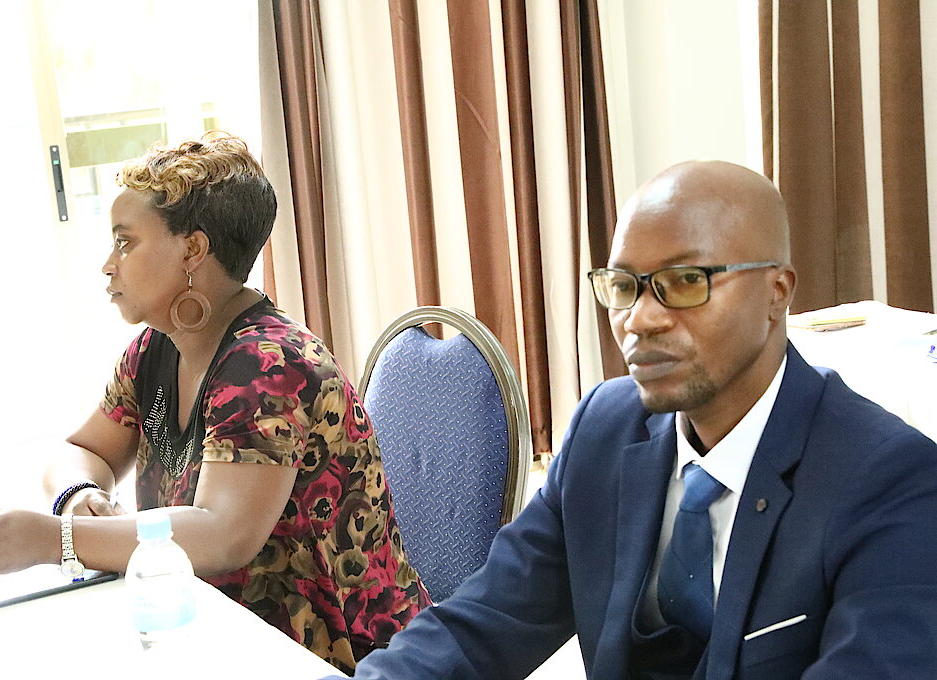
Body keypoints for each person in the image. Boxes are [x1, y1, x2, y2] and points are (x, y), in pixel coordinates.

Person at [322, 160, 937, 679]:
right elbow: (483, 623)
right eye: (624, 286)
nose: (640, 319)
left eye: (685, 281)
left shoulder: (888, 478)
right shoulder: (605, 429)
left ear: (777, 293)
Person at [0, 132, 429, 674]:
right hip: (221, 640)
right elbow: (85, 450)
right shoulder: (156, 350)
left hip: (339, 659)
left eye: (125, 242)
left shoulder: (268, 366)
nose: (108, 265)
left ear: (192, 251)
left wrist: (55, 539)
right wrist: (77, 493)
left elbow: (223, 534)